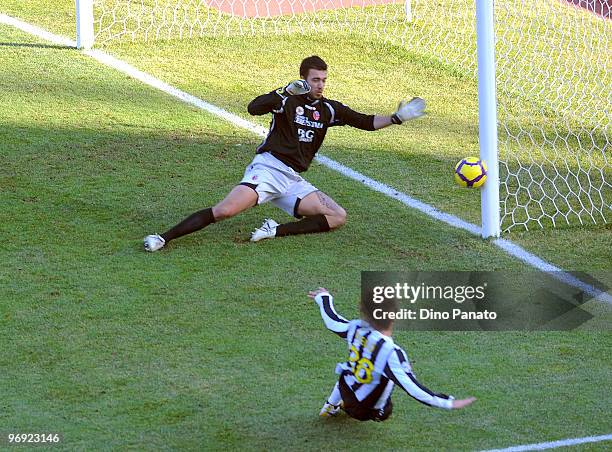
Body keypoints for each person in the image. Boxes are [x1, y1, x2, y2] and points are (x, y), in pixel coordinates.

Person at [144, 55, 426, 251]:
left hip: (292, 180)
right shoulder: (286, 100)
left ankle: (274, 229)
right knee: (224, 210)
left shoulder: (328, 109)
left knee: (337, 216)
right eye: (316, 80)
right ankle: (163, 238)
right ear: (303, 79)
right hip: (268, 170)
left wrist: (396, 118)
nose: (321, 85)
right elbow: (253, 108)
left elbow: (365, 122)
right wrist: (282, 92)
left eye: (324, 80)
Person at [308, 287, 476, 421]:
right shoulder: (391, 353)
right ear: (394, 316)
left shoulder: (355, 327)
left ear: (363, 311)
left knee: (350, 371)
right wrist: (449, 402)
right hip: (364, 410)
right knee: (385, 409)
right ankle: (346, 406)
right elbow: (414, 389)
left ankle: (331, 405)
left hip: (346, 386)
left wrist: (324, 298)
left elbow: (333, 322)